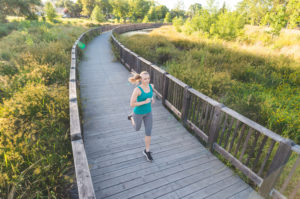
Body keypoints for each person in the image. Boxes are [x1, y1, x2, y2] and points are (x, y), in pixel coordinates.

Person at [128, 70, 155, 162]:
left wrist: (152, 99)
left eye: (148, 78)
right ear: (141, 79)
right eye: (145, 79)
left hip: (148, 113)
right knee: (137, 128)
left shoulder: (151, 86)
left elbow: (151, 96)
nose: (147, 80)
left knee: (148, 131)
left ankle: (147, 151)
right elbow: (132, 104)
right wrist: (144, 102)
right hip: (138, 113)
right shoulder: (137, 90)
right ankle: (131, 117)